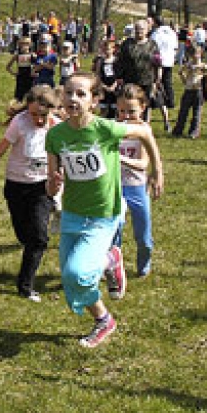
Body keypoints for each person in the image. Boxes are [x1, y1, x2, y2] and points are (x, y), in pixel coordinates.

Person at [45, 72, 163, 347]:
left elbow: (144, 131)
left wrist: (157, 170)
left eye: (81, 94)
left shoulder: (106, 128)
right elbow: (51, 186)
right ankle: (104, 319)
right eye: (68, 93)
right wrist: (54, 182)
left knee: (78, 273)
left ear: (95, 101)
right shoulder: (55, 135)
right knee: (70, 279)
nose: (73, 99)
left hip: (102, 215)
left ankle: (110, 260)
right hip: (72, 213)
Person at [0, 85, 60, 301]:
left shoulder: (58, 127)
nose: (39, 120)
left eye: (43, 115)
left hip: (41, 187)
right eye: (34, 114)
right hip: (16, 186)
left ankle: (25, 286)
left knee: (39, 239)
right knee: (24, 236)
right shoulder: (20, 123)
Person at [114, 85, 155, 277]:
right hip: (114, 187)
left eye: (131, 111)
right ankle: (114, 267)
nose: (126, 116)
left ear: (143, 108)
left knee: (143, 235)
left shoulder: (143, 130)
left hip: (137, 186)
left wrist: (120, 159)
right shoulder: (112, 127)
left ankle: (144, 263)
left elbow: (143, 163)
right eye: (122, 111)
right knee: (115, 229)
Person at [172, 45, 207, 139]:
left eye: (197, 54)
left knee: (197, 113)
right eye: (193, 54)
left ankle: (194, 132)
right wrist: (184, 79)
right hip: (188, 90)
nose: (195, 56)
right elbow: (180, 72)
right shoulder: (188, 65)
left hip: (198, 91)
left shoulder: (203, 66)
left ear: (201, 54)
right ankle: (178, 130)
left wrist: (206, 79)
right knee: (183, 111)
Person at [151, 17, 179, 131]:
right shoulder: (172, 32)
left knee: (157, 83)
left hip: (160, 60)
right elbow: (176, 47)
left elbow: (153, 46)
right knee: (168, 82)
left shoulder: (156, 33)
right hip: (169, 59)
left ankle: (158, 101)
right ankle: (170, 101)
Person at [7, 37, 35, 101]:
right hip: (21, 77)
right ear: (20, 45)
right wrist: (14, 73)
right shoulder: (17, 55)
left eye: (27, 44)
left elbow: (36, 65)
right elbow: (8, 66)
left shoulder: (32, 55)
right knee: (19, 95)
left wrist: (35, 71)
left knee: (30, 94)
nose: (25, 46)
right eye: (23, 44)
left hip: (29, 77)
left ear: (30, 45)